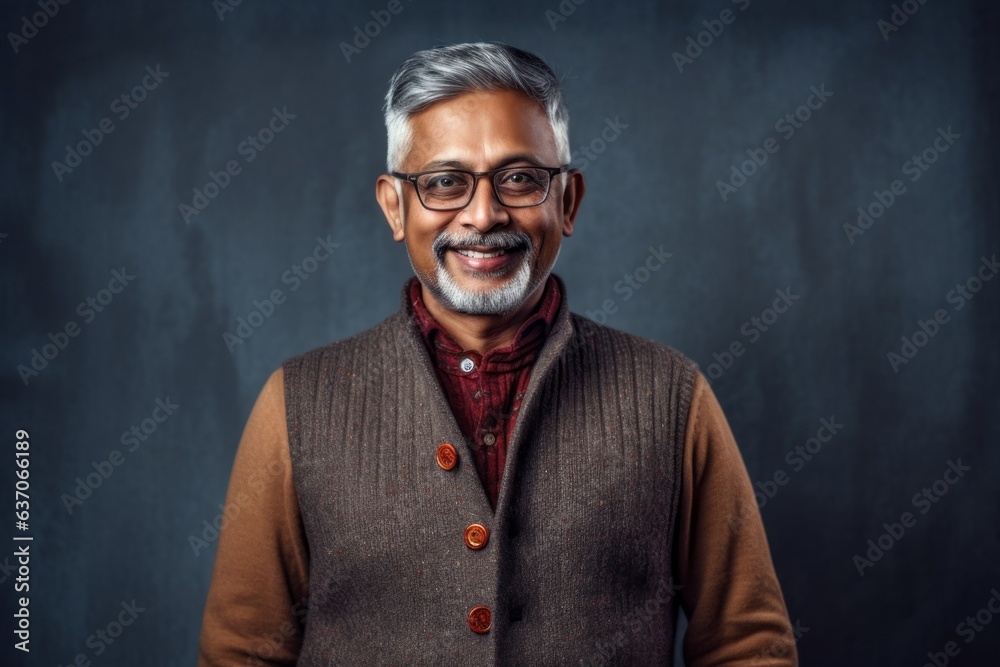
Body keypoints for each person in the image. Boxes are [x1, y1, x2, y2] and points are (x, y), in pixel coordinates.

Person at [198, 41, 797, 666]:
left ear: (567, 201)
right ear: (394, 206)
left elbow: (746, 645)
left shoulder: (673, 396)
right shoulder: (297, 403)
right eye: (445, 183)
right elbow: (242, 650)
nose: (483, 216)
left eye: (518, 178)